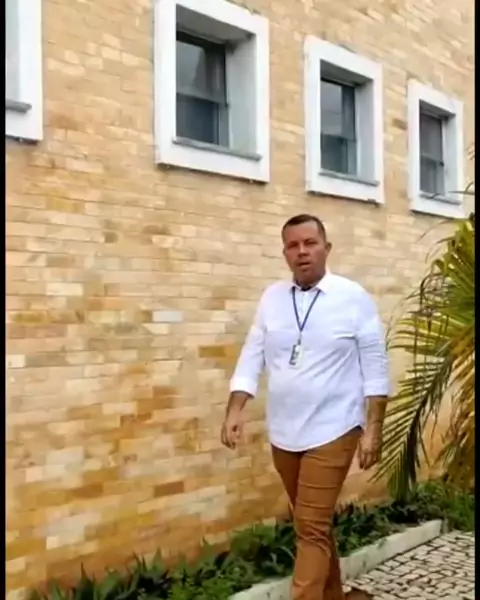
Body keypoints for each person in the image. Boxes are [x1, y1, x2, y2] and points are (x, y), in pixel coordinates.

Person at [221, 214, 389, 600]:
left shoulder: (353, 298)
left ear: (326, 248)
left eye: (310, 243)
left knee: (310, 527)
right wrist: (235, 409)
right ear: (284, 253)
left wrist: (373, 429)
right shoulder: (272, 298)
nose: (302, 252)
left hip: (334, 428)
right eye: (293, 245)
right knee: (312, 523)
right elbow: (252, 354)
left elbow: (375, 368)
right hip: (284, 431)